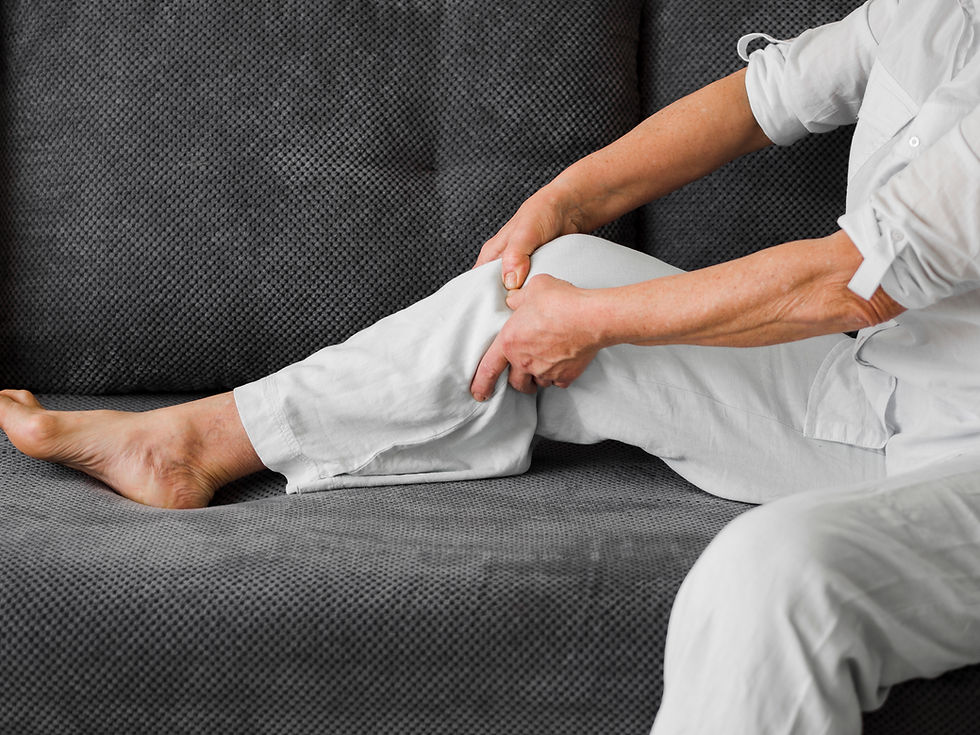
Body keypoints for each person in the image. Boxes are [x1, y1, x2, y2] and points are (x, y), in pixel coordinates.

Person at [2, 0, 980, 731]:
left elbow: (851, 284)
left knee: (776, 580)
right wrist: (563, 199)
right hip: (881, 400)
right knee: (547, 281)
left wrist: (595, 325)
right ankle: (192, 442)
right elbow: (764, 96)